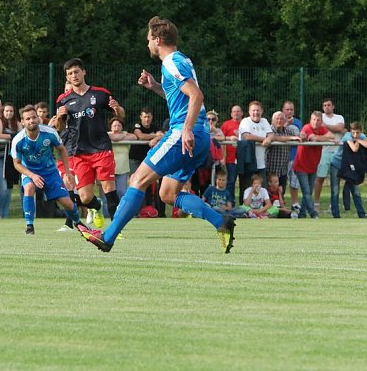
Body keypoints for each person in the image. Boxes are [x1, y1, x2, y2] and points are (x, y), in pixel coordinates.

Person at [79, 16, 236, 254]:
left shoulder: (172, 62)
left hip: (185, 133)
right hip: (200, 135)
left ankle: (107, 237)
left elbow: (196, 95)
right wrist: (154, 87)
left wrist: (185, 129)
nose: (148, 45)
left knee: (137, 180)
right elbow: (182, 97)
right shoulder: (180, 60)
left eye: (149, 40)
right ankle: (221, 222)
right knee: (168, 194)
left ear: (158, 40)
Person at [54, 58, 125, 229]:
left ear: (84, 72)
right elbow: (59, 127)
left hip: (101, 148)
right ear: (67, 78)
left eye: (76, 71)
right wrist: (59, 117)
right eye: (70, 73)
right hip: (79, 152)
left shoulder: (100, 94)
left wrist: (118, 109)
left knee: (109, 188)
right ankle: (96, 206)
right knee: (85, 197)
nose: (74, 75)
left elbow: (121, 115)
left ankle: (116, 229)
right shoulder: (63, 99)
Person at [11, 105, 82, 235]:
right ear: (22, 122)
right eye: (28, 119)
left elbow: (62, 149)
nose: (32, 121)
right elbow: (17, 164)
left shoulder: (49, 133)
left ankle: (78, 223)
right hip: (30, 172)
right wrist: (32, 175)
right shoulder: (18, 140)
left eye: (34, 117)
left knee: (66, 202)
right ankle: (29, 226)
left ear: (38, 118)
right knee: (29, 188)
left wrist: (67, 172)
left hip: (50, 172)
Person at [292, 112, 336, 219]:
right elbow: (313, 138)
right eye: (314, 119)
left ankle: (302, 214)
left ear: (321, 121)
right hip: (301, 166)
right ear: (310, 120)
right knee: (306, 191)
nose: (316, 122)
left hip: (312, 166)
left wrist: (319, 137)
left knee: (308, 192)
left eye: (318, 120)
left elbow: (332, 136)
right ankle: (313, 213)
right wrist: (322, 138)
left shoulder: (321, 129)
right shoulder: (306, 128)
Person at [313, 98, 345, 213]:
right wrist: (329, 129)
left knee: (335, 180)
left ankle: (334, 205)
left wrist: (324, 125)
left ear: (333, 106)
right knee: (320, 178)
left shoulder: (339, 117)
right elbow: (316, 128)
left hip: (337, 152)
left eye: (329, 105)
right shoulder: (319, 117)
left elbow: (340, 128)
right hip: (323, 152)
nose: (327, 107)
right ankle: (316, 204)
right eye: (325, 105)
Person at [264, 111, 301, 202]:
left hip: (283, 169)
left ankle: (280, 211)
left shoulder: (289, 131)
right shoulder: (269, 131)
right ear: (272, 121)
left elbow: (299, 137)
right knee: (269, 195)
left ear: (285, 120)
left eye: (281, 118)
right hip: (271, 169)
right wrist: (290, 138)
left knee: (281, 192)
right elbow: (274, 138)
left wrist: (302, 136)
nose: (279, 120)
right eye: (277, 118)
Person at [337, 121, 367, 219]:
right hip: (337, 163)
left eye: (357, 132)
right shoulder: (347, 135)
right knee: (335, 189)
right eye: (353, 133)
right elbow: (354, 149)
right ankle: (336, 213)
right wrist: (358, 141)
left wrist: (358, 140)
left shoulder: (361, 136)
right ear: (350, 131)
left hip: (350, 165)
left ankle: (361, 213)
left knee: (355, 189)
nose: (355, 135)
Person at [0, 102, 20, 219]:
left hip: (10, 159)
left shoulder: (16, 124)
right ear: (3, 112)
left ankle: (5, 214)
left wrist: (14, 135)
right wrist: (13, 136)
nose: (9, 113)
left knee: (9, 188)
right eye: (7, 111)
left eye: (11, 111)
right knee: (3, 187)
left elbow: (22, 133)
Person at [106, 116, 136, 210]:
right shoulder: (106, 135)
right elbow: (113, 137)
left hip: (122, 168)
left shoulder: (127, 135)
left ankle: (122, 212)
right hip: (108, 167)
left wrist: (121, 136)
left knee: (122, 192)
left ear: (122, 127)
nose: (116, 128)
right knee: (108, 193)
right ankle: (107, 214)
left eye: (119, 126)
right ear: (110, 127)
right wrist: (120, 137)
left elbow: (134, 137)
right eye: (114, 126)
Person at [281, 100, 304, 210]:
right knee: (280, 181)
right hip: (281, 157)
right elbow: (276, 133)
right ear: (283, 110)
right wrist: (286, 124)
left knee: (294, 182)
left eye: (291, 109)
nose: (289, 111)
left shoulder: (298, 123)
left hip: (294, 156)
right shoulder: (278, 120)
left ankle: (295, 203)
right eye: (287, 109)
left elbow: (301, 137)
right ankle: (279, 203)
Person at [220, 105, 242, 200]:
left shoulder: (246, 124)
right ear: (231, 114)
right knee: (231, 182)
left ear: (242, 113)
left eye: (238, 111)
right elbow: (220, 139)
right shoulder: (226, 124)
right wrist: (222, 157)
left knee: (245, 182)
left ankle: (243, 204)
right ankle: (230, 203)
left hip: (243, 158)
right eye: (234, 111)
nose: (236, 113)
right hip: (230, 159)